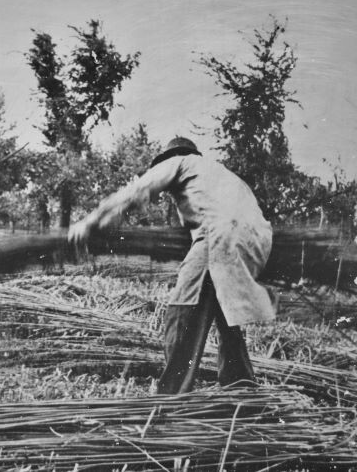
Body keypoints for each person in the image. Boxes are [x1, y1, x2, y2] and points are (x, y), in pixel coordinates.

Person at [68, 137, 276, 394]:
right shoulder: (220, 174)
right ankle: (241, 389)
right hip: (259, 241)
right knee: (226, 315)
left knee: (182, 310)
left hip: (220, 236)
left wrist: (90, 222)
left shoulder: (179, 162)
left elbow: (136, 190)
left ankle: (172, 397)